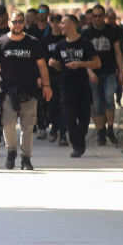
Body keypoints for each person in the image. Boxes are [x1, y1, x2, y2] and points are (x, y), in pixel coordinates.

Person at [0, 9, 52, 170]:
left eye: (20, 21)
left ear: (24, 23)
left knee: (28, 126)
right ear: (9, 23)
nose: (17, 24)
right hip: (7, 91)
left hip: (29, 91)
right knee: (8, 124)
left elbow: (42, 65)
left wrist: (47, 85)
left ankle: (26, 158)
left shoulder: (32, 42)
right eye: (14, 21)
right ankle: (11, 151)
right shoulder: (0, 43)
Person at [50, 15, 100, 157]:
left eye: (62, 23)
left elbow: (97, 63)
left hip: (82, 84)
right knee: (69, 115)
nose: (59, 26)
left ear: (71, 25)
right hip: (65, 84)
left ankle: (81, 138)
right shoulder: (60, 45)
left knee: (83, 116)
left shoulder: (85, 43)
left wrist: (80, 64)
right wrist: (55, 64)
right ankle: (77, 145)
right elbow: (60, 67)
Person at [80, 4, 123, 145]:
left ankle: (110, 128)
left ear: (104, 16)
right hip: (94, 74)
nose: (97, 18)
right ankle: (100, 132)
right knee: (97, 104)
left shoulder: (112, 31)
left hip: (109, 71)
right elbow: (84, 56)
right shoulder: (86, 33)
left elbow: (117, 52)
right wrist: (89, 72)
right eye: (95, 16)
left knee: (110, 98)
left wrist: (121, 71)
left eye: (100, 15)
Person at [40, 15, 68, 146]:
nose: (56, 24)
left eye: (58, 22)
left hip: (64, 76)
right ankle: (54, 127)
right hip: (49, 77)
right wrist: (39, 77)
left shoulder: (65, 39)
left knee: (64, 105)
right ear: (49, 23)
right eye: (53, 21)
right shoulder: (45, 40)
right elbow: (39, 61)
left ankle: (63, 133)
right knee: (51, 106)